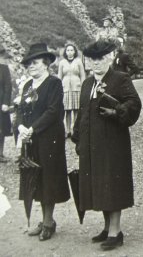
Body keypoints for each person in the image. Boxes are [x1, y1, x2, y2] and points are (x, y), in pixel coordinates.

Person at [72, 40, 142, 250]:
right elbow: (82, 112)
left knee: (112, 184)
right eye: (93, 59)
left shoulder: (120, 78)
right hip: (92, 144)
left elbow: (134, 104)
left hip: (113, 142)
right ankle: (106, 227)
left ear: (110, 58)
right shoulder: (87, 84)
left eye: (101, 58)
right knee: (99, 185)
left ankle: (116, 231)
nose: (97, 63)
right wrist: (77, 137)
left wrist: (117, 111)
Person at [17, 43, 70, 241]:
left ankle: (48, 222)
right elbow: (21, 110)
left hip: (49, 139)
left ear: (46, 64)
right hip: (31, 140)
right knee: (34, 179)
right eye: (29, 63)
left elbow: (53, 111)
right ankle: (43, 219)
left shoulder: (53, 84)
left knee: (48, 178)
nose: (31, 66)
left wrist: (32, 129)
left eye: (35, 62)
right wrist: (21, 127)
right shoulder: (28, 86)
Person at [57, 44, 85, 138]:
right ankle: (67, 130)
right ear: (65, 52)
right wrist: (59, 88)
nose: (69, 52)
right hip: (65, 89)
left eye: (71, 50)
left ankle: (76, 130)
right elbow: (59, 77)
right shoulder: (62, 63)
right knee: (67, 110)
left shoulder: (78, 61)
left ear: (74, 51)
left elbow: (82, 75)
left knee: (76, 110)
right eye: (68, 50)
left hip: (76, 88)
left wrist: (83, 87)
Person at [0, 47, 12, 163]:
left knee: (0, 130)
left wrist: (5, 103)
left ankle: (0, 154)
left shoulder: (4, 68)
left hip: (0, 103)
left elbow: (8, 87)